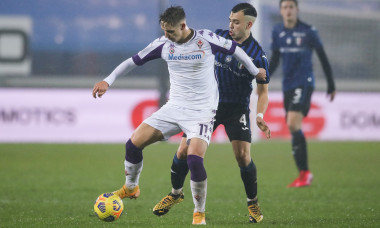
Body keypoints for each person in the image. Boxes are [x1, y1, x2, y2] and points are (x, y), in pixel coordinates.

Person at [92, 6, 267, 225]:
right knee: (133, 144)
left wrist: (253, 70)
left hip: (203, 111)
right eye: (164, 31)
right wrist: (107, 80)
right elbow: (132, 61)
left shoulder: (206, 39)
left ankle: (199, 213)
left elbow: (235, 50)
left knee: (194, 158)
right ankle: (130, 187)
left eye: (171, 31)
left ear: (183, 26)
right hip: (174, 107)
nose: (167, 36)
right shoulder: (164, 45)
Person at [152, 3, 270, 223]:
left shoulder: (257, 54)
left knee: (243, 157)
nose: (231, 25)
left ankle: (253, 203)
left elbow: (263, 92)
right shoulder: (218, 37)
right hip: (208, 106)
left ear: (249, 24)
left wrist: (260, 116)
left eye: (236, 22)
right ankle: (175, 194)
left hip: (237, 108)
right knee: (184, 151)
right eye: (230, 20)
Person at [269, 0, 336, 187]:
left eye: (291, 7)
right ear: (281, 11)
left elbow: (322, 57)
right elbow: (275, 60)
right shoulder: (277, 32)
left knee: (292, 122)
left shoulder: (309, 31)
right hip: (287, 86)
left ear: (297, 10)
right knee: (293, 127)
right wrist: (263, 80)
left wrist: (331, 84)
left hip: (304, 83)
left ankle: (305, 173)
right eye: (285, 7)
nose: (288, 10)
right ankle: (303, 174)